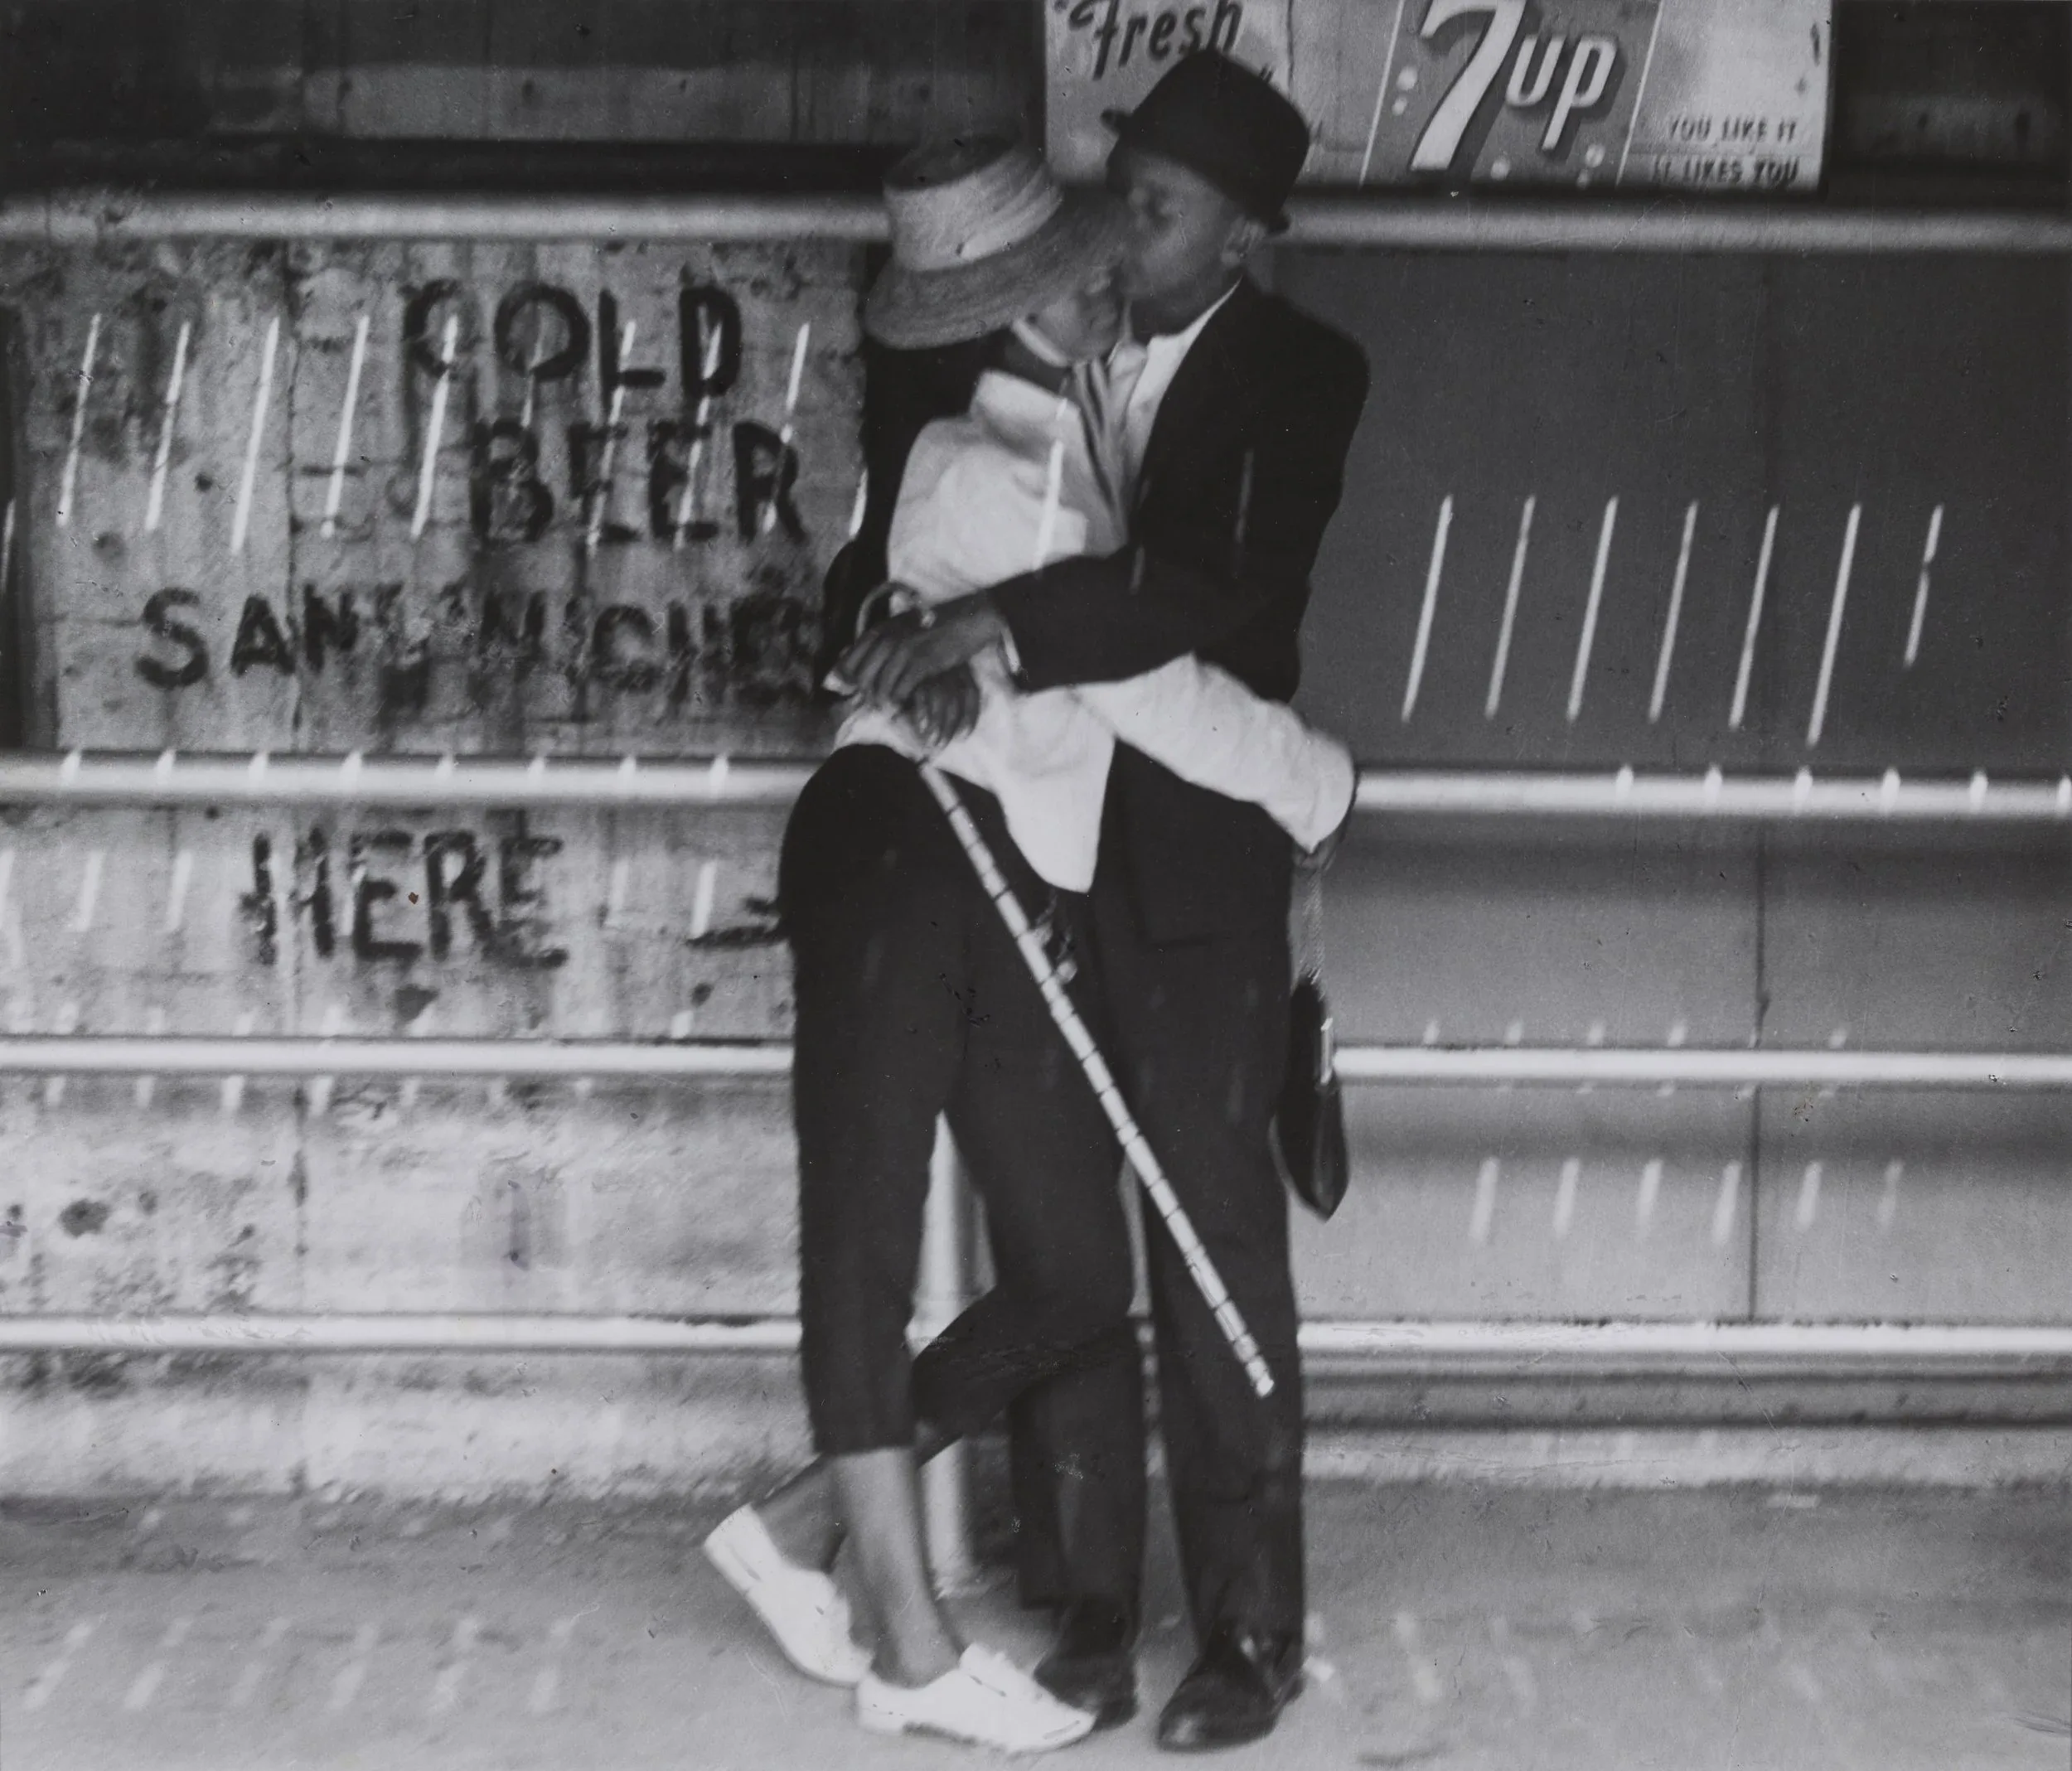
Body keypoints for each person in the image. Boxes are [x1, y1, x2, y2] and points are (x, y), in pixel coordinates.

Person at [705, 128, 1351, 1754]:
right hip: (934, 848)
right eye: (1084, 247)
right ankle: (985, 1638)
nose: (1112, 257)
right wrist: (1319, 781)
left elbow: (1177, 598)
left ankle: (819, 1526)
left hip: (1073, 875)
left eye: (1141, 219)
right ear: (1009, 302)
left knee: (1109, 1264)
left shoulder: (1200, 398)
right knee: (905, 1237)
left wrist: (951, 625)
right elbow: (1077, 650)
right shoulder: (977, 452)